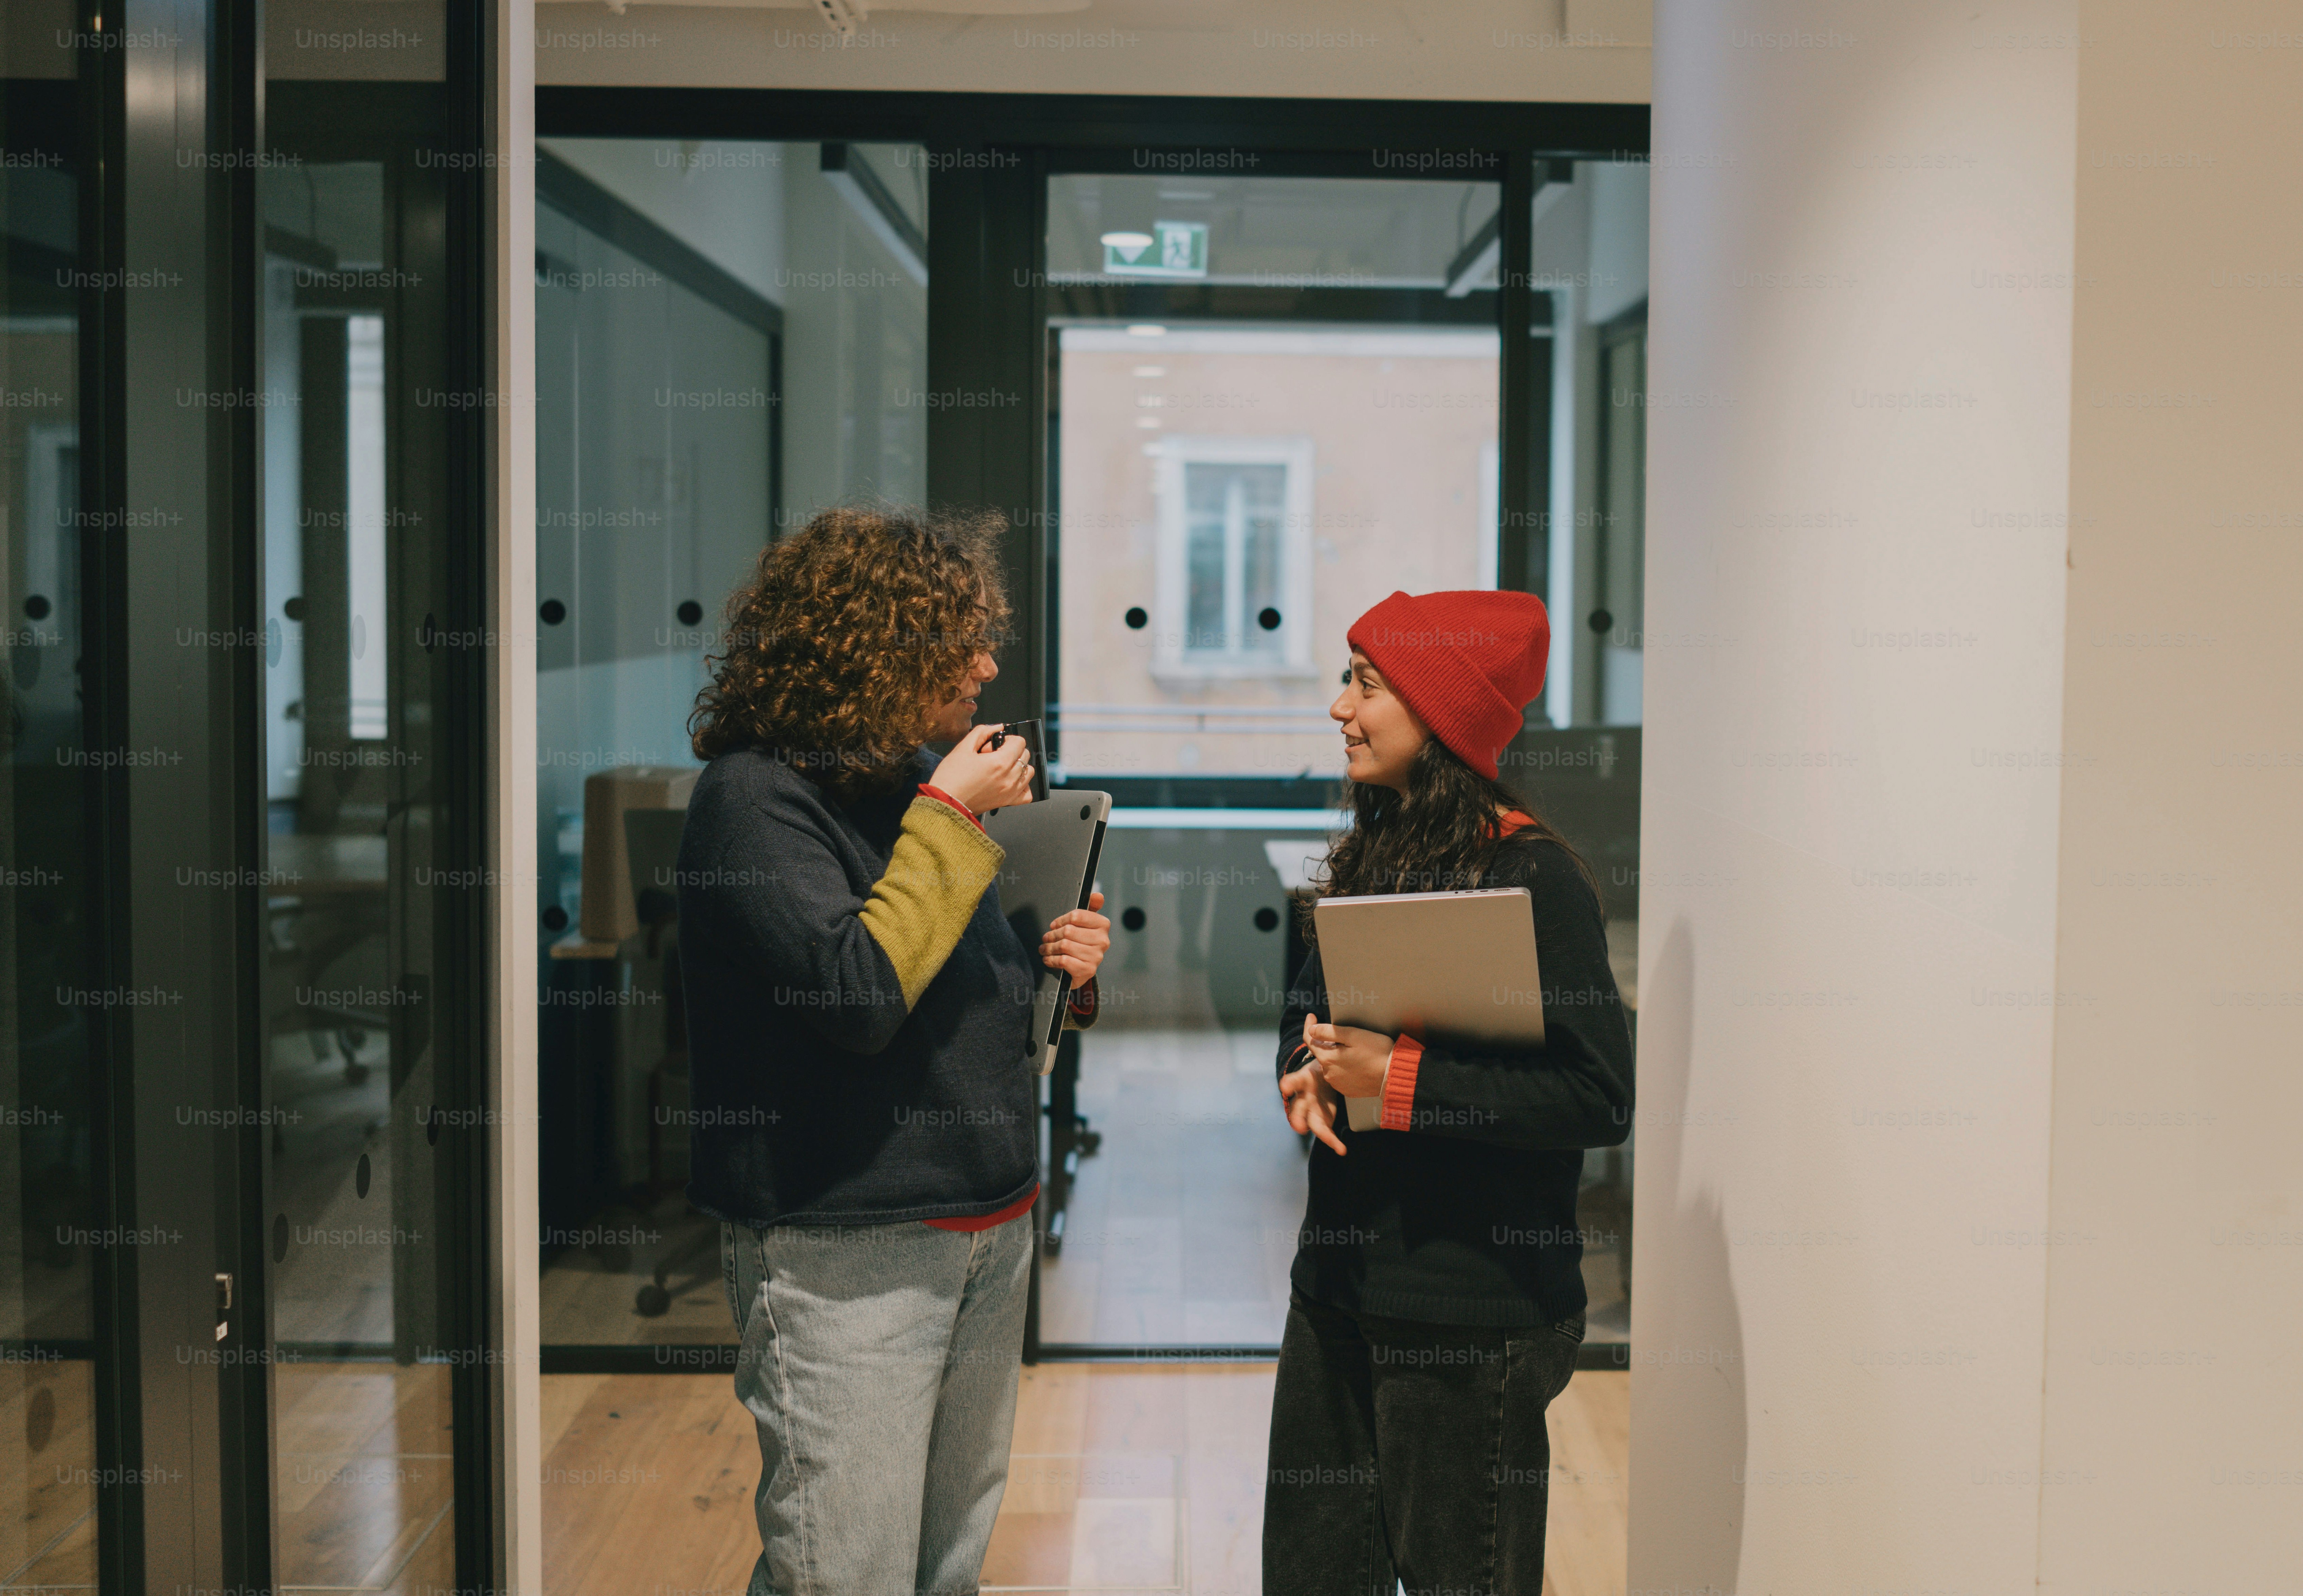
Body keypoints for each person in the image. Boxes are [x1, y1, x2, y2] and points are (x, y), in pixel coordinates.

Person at [675, 504, 1111, 1596]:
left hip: (987, 1220)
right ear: (869, 647)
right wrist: (953, 819)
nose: (986, 661)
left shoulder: (913, 779)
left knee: (945, 1568)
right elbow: (859, 995)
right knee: (847, 1574)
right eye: (955, 637)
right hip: (843, 1247)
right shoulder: (753, 801)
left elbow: (968, 986)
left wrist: (1060, 968)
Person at [1263, 587, 1635, 1596]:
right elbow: (1304, 1018)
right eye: (1349, 678)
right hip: (1337, 1287)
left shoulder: (1532, 875)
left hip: (1476, 1315)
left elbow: (1598, 1096)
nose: (1342, 707)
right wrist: (1308, 1075)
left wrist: (1405, 1080)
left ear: (1443, 718)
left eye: (1369, 685)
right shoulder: (1367, 851)